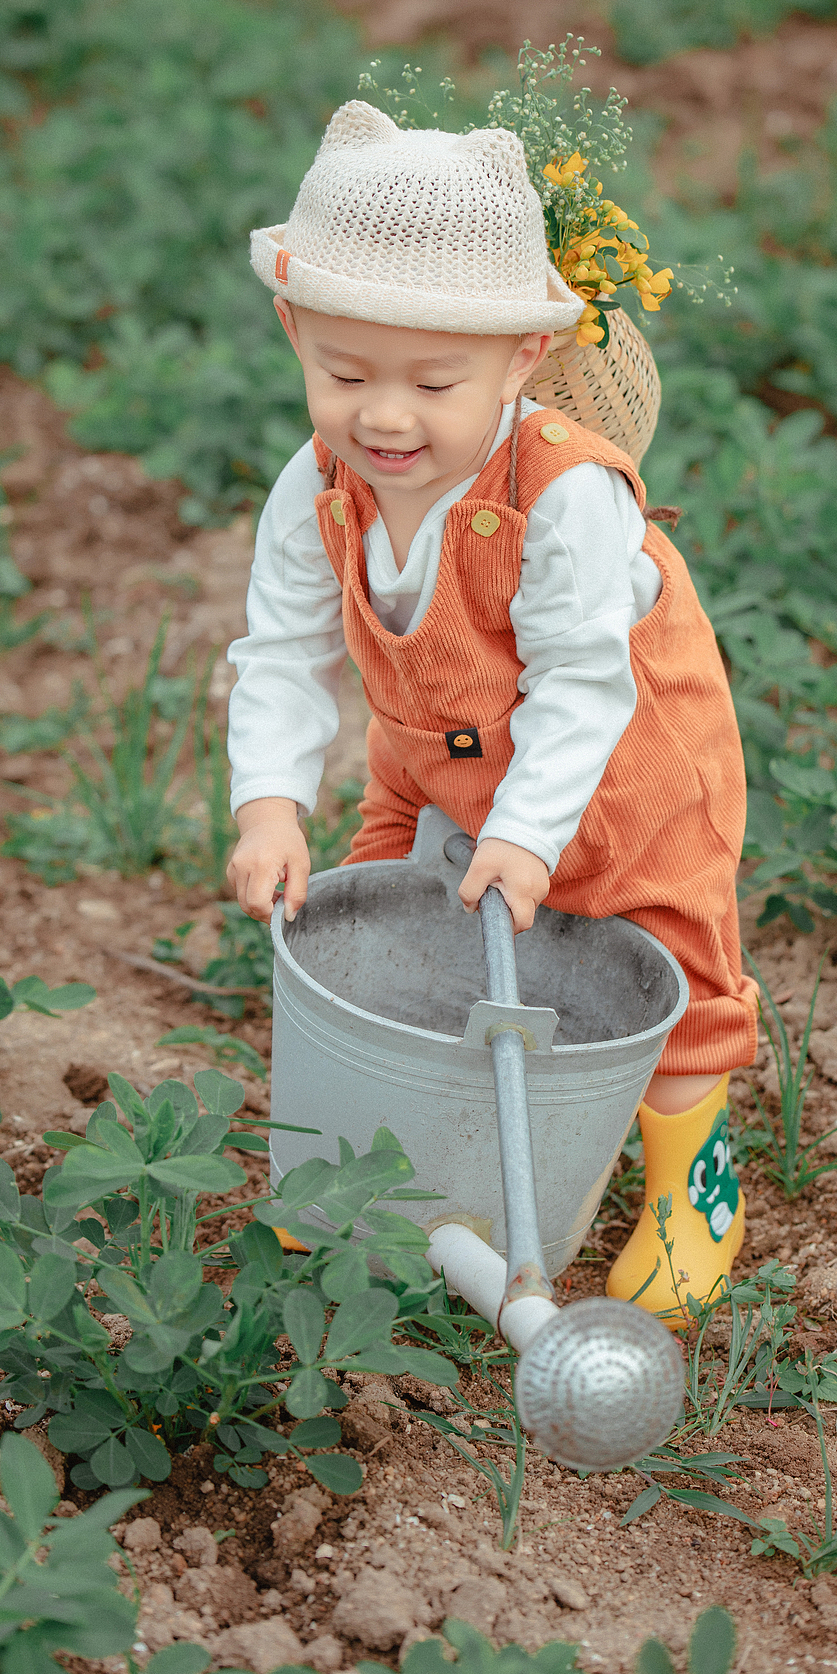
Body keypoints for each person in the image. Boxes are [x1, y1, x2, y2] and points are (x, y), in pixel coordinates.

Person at [224, 99, 757, 1324]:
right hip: (429, 755)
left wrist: (524, 833)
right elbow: (283, 651)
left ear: (522, 357)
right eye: (343, 374)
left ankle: (693, 1185)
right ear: (292, 327)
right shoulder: (315, 486)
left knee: (660, 954)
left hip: (617, 763)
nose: (384, 416)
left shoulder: (561, 495)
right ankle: (382, 1165)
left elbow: (579, 683)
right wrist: (268, 804)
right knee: (398, 931)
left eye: (433, 382)